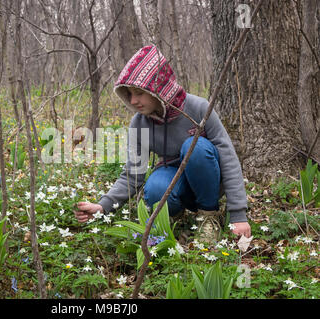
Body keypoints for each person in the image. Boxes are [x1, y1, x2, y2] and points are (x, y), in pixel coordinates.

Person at [74, 45, 251, 242]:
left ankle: (209, 217)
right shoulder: (139, 123)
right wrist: (103, 206)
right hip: (173, 179)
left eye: (138, 93)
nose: (133, 101)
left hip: (207, 179)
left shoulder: (199, 107)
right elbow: (133, 174)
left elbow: (227, 157)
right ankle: (172, 216)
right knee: (155, 187)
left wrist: (238, 214)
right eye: (129, 94)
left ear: (158, 88)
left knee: (196, 147)